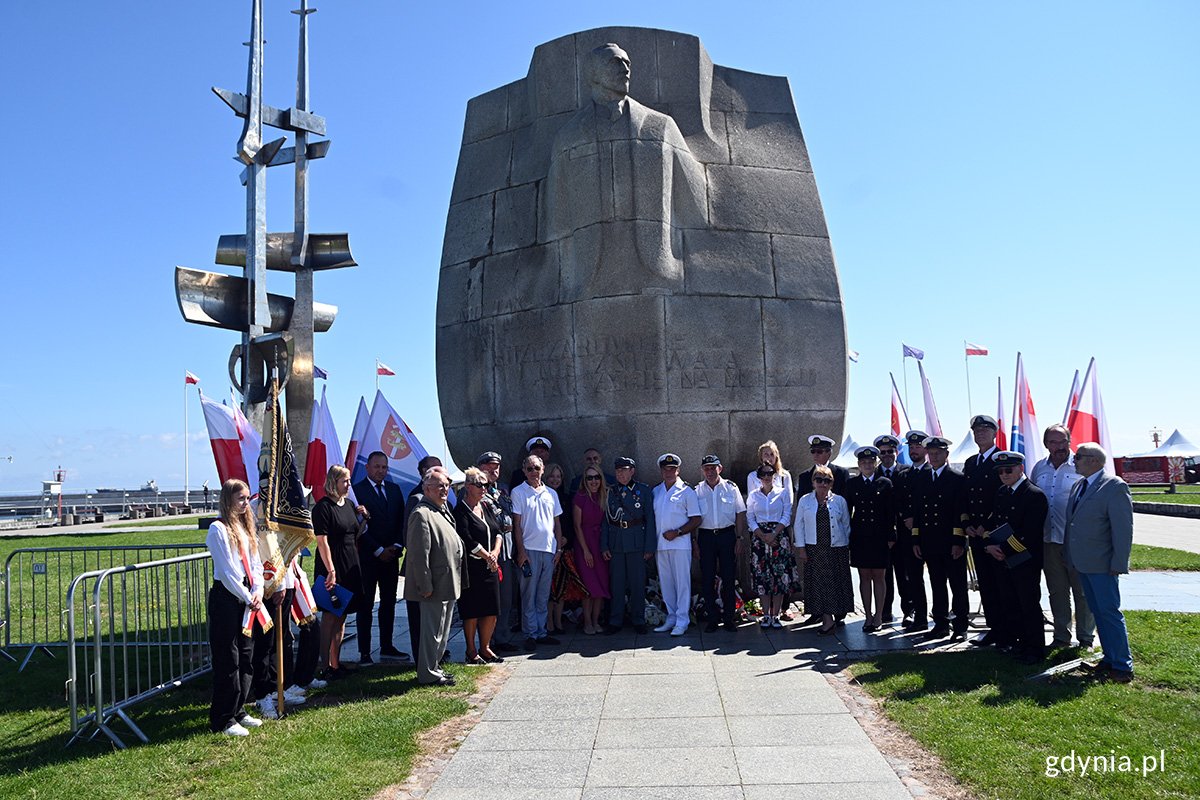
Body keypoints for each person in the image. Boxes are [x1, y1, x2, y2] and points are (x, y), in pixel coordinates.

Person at [1064, 443, 1135, 683]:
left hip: (1103, 563)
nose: (1074, 460)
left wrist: (1119, 562)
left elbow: (1123, 529)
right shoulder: (1079, 485)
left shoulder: (1114, 486)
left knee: (1109, 612)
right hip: (1083, 562)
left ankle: (1123, 665)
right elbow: (1072, 524)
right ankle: (1109, 657)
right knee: (1097, 612)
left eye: (1079, 457)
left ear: (1094, 460)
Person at [205, 478, 266, 736]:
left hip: (248, 597)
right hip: (228, 598)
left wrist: (258, 591)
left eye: (247, 498)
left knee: (245, 655)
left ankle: (239, 709)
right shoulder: (218, 529)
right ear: (228, 499)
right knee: (227, 657)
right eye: (240, 498)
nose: (245, 503)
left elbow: (255, 564)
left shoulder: (245, 527)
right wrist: (246, 595)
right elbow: (228, 571)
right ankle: (223, 717)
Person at [1030, 425, 1094, 649]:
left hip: (1076, 541)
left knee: (1082, 591)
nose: (1057, 447)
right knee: (1057, 591)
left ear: (1069, 441)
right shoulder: (1039, 468)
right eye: (1052, 442)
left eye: (1062, 442)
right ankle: (1061, 636)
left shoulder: (1082, 466)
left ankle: (1086, 637)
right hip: (1048, 540)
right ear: (1046, 443)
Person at [985, 451, 1049, 664]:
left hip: (1024, 559)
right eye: (1000, 471)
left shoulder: (1033, 494)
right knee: (1010, 603)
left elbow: (1029, 533)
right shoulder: (1002, 492)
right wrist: (990, 546)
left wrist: (1002, 548)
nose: (1003, 474)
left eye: (1008, 470)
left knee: (1028, 604)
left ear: (1021, 468)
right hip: (1003, 558)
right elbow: (994, 523)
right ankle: (1018, 643)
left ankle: (1035, 649)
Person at [403, 469, 464, 685]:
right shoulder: (421, 513)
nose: (444, 489)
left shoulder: (440, 510)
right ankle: (427, 673)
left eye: (446, 485)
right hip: (433, 585)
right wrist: (425, 584)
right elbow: (419, 555)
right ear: (426, 488)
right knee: (431, 633)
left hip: (446, 582)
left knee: (442, 631)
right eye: (439, 485)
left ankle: (435, 667)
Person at [910, 436, 969, 641]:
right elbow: (917, 512)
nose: (934, 457)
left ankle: (960, 626)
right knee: (937, 583)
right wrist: (916, 540)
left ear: (946, 454)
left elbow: (960, 512)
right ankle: (941, 624)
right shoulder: (921, 478)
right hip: (929, 541)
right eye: (931, 453)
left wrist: (958, 541)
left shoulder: (957, 478)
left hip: (951, 542)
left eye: (938, 453)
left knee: (958, 585)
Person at [353, 452, 409, 664]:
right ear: (367, 467)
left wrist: (395, 546)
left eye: (384, 467)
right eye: (376, 467)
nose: (380, 471)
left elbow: (400, 522)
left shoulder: (394, 490)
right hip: (368, 557)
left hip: (391, 557)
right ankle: (365, 652)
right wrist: (377, 549)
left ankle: (387, 645)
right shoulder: (357, 491)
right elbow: (358, 526)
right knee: (365, 605)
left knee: (389, 602)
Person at [313, 465, 366, 679]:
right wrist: (330, 569)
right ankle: (323, 665)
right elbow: (322, 541)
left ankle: (336, 663)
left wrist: (363, 518)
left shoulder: (350, 504)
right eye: (345, 481)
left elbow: (354, 533)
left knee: (342, 616)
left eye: (349, 481)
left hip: (350, 562)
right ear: (333, 481)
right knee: (329, 616)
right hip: (331, 566)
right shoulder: (323, 507)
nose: (348, 485)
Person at [511, 455, 566, 649]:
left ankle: (542, 631)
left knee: (543, 595)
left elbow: (557, 524)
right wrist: (521, 551)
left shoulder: (551, 493)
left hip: (549, 550)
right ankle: (530, 634)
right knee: (528, 594)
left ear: (543, 469)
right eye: (529, 469)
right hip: (529, 550)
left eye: (536, 468)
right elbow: (516, 525)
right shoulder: (518, 492)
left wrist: (558, 548)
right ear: (524, 471)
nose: (533, 472)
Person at [794, 465, 853, 635]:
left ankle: (834, 617)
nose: (822, 483)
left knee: (835, 583)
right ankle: (827, 620)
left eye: (826, 480)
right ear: (813, 482)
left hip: (836, 549)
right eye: (819, 480)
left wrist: (845, 544)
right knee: (819, 584)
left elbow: (846, 524)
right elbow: (799, 524)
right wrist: (801, 547)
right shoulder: (805, 500)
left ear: (831, 483)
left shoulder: (839, 500)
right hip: (814, 549)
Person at [601, 456, 656, 634]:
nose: (620, 474)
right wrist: (604, 546)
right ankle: (615, 620)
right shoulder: (610, 491)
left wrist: (649, 547)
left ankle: (638, 619)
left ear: (632, 471)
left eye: (624, 470)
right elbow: (605, 521)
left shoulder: (643, 490)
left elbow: (650, 520)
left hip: (636, 542)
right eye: (618, 471)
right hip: (616, 542)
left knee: (637, 583)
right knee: (616, 584)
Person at [962, 416, 1004, 648]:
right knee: (985, 583)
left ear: (994, 433)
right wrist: (967, 522)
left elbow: (1001, 498)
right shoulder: (971, 463)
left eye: (985, 429)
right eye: (976, 430)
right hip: (975, 534)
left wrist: (986, 526)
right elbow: (968, 497)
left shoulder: (1001, 460)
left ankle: (1007, 628)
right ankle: (994, 628)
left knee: (1001, 583)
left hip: (995, 532)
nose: (980, 433)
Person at [454, 467, 503, 664]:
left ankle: (486, 647)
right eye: (479, 484)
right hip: (472, 568)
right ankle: (471, 650)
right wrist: (486, 556)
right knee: (472, 609)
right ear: (467, 486)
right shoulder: (461, 511)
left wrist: (496, 553)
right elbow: (466, 539)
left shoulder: (486, 507)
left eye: (486, 484)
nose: (484, 488)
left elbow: (498, 531)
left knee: (491, 608)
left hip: (490, 567)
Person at [844, 446, 896, 632]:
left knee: (880, 577)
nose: (867, 465)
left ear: (876, 463)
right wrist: (847, 536)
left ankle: (879, 616)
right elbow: (847, 512)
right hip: (860, 537)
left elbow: (891, 513)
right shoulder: (852, 484)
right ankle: (867, 616)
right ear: (858, 464)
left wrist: (891, 535)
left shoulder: (885, 483)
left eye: (870, 462)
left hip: (880, 536)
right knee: (865, 577)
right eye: (863, 462)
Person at [696, 454, 748, 632]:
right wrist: (695, 541)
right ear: (702, 471)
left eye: (713, 468)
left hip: (727, 536)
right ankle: (712, 618)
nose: (710, 472)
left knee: (728, 577)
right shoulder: (697, 491)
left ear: (720, 468)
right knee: (707, 577)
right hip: (706, 536)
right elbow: (693, 518)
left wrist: (740, 537)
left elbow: (740, 513)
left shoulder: (731, 488)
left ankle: (729, 618)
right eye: (706, 468)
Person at [652, 453, 702, 635]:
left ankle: (682, 620)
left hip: (680, 545)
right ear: (661, 471)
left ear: (678, 470)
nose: (669, 472)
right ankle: (671, 617)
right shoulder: (656, 491)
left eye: (672, 469)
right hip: (660, 545)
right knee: (666, 584)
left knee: (682, 584)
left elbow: (696, 519)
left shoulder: (687, 491)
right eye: (666, 469)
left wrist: (678, 532)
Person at [402, 455, 444, 665]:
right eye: (434, 469)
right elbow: (411, 537)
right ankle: (422, 659)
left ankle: (435, 655)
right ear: (423, 474)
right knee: (420, 617)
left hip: (439, 568)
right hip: (422, 567)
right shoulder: (417, 498)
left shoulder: (439, 498)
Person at [478, 452, 520, 653]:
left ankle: (501, 637)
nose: (494, 470)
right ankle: (488, 641)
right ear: (480, 467)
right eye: (489, 466)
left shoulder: (502, 489)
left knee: (506, 598)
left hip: (507, 548)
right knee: (489, 599)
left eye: (497, 466)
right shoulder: (474, 490)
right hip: (488, 552)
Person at [746, 463, 795, 629]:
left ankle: (776, 615)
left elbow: (787, 515)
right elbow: (750, 517)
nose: (767, 478)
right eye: (763, 475)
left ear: (774, 476)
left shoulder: (783, 493)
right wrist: (761, 535)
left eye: (770, 475)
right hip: (759, 538)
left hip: (778, 537)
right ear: (759, 478)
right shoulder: (753, 495)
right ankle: (766, 615)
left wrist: (773, 534)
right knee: (762, 577)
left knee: (779, 577)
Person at [874, 434, 911, 623]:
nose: (887, 455)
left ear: (896, 452)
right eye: (883, 452)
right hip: (882, 535)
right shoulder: (874, 476)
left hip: (904, 534)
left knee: (905, 574)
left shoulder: (907, 472)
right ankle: (885, 610)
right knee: (884, 575)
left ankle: (908, 611)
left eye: (890, 451)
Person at [897, 430, 930, 632]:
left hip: (929, 533)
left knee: (937, 577)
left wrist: (916, 520)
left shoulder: (931, 473)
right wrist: (906, 518)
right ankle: (919, 615)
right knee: (913, 577)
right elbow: (899, 501)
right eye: (911, 447)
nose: (914, 450)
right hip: (908, 534)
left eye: (918, 446)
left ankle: (943, 616)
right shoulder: (903, 475)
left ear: (925, 449)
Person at [573, 464, 611, 634]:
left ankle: (596, 621)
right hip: (585, 544)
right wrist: (586, 551)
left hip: (600, 544)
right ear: (584, 480)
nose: (594, 481)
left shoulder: (604, 496)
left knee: (601, 585)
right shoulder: (580, 497)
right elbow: (577, 526)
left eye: (596, 477)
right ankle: (587, 622)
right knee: (589, 586)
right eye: (590, 477)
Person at [544, 462, 582, 634]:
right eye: (552, 476)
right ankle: (549, 621)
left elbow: (573, 523)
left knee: (561, 588)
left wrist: (566, 539)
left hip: (565, 549)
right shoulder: (543, 495)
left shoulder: (567, 498)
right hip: (547, 547)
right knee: (549, 588)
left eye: (558, 476)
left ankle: (558, 621)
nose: (555, 479)